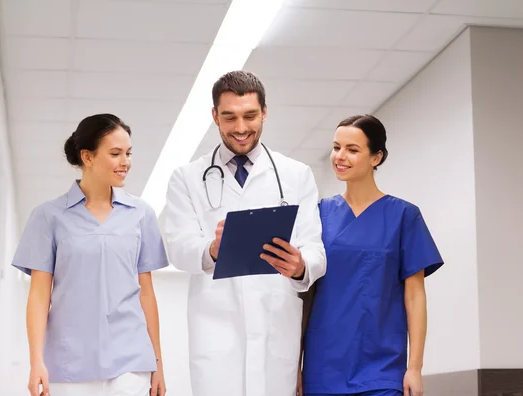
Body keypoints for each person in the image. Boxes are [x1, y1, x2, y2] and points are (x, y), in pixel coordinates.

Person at [161, 70, 327, 396]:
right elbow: (177, 247)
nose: (240, 128)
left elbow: (315, 249)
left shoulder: (296, 175)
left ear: (264, 112)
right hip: (216, 331)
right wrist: (211, 249)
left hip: (274, 327)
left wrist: (301, 265)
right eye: (229, 117)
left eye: (250, 115)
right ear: (215, 117)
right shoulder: (187, 178)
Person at [12, 114, 168, 396]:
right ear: (88, 157)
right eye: (115, 153)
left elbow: (146, 292)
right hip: (69, 362)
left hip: (130, 359)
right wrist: (36, 361)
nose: (126, 162)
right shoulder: (49, 216)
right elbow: (38, 295)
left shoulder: (141, 214)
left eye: (128, 153)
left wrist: (157, 361)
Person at [300, 115, 444, 396]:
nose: (340, 156)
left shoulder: (404, 216)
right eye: (336, 147)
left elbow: (415, 296)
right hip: (323, 366)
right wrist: (295, 366)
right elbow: (304, 294)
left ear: (376, 157)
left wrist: (414, 368)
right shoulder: (318, 214)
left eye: (352, 150)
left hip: (382, 369)